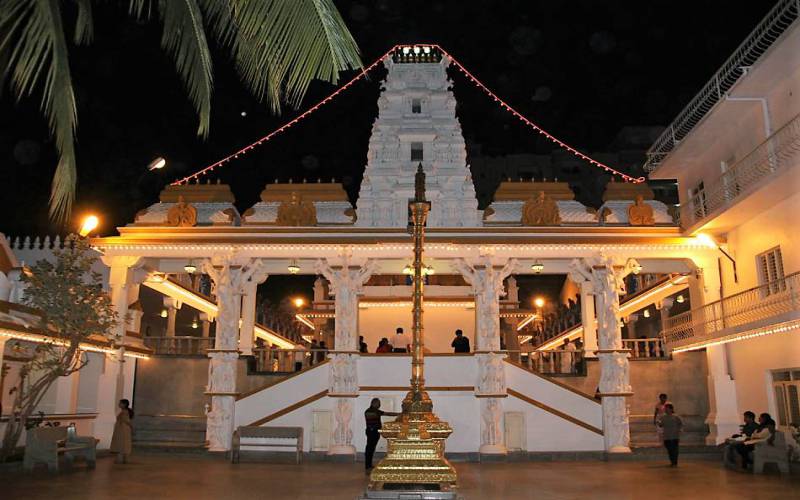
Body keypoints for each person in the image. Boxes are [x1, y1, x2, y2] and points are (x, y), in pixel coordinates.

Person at [364, 398, 400, 472]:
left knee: (371, 448)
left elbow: (388, 413)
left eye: (379, 403)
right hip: (371, 432)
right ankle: (367, 465)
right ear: (373, 403)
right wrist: (398, 414)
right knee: (369, 449)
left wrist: (399, 414)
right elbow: (386, 413)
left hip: (375, 432)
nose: (379, 405)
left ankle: (369, 464)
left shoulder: (376, 411)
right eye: (378, 403)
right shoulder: (369, 411)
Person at [110, 399, 134, 464]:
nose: (119, 404)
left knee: (121, 443)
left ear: (124, 404)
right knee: (123, 443)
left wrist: (131, 427)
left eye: (120, 403)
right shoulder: (124, 411)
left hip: (123, 430)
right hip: (122, 429)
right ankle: (123, 459)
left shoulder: (125, 412)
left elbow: (126, 420)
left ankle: (120, 459)